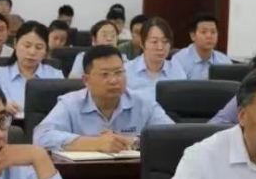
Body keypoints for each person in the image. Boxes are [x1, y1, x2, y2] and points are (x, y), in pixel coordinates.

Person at [34, 46, 173, 152]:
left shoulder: (143, 103)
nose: (114, 80)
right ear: (86, 80)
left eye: (119, 72)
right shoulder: (70, 104)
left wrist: (135, 142)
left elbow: (172, 136)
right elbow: (41, 137)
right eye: (104, 74)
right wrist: (94, 143)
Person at [0, 21, 63, 115]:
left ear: (46, 50)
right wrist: (2, 106)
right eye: (27, 46)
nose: (32, 52)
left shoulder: (55, 76)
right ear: (15, 44)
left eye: (39, 47)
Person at [124, 17, 187, 100]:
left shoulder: (176, 71)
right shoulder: (127, 71)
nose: (160, 47)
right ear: (142, 43)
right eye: (154, 42)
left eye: (165, 41)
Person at [171, 13, 232, 79]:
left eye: (213, 32)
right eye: (203, 32)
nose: (209, 36)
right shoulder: (179, 60)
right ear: (193, 36)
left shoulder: (225, 62)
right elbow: (177, 85)